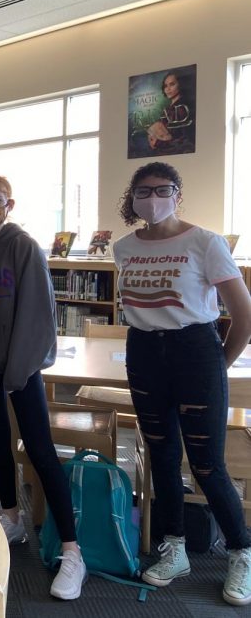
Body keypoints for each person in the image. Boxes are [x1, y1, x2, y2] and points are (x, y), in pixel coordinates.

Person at [113, 162, 251, 606]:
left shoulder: (204, 242)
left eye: (162, 189)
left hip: (196, 352)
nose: (152, 197)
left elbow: (243, 315)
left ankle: (241, 551)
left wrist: (217, 366)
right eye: (143, 190)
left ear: (177, 193)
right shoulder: (124, 247)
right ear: (132, 198)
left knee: (207, 465)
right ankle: (174, 547)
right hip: (144, 354)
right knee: (163, 457)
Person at [0, 172, 87, 600]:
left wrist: (18, 372)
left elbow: (38, 316)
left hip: (20, 370)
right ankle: (11, 518)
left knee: (41, 451)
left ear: (10, 204)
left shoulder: (23, 246)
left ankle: (71, 551)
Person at [146, 70, 195, 155]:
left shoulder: (182, 108)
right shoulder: (168, 109)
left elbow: (186, 139)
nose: (168, 89)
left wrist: (158, 143)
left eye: (172, 84)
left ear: (180, 85)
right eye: (165, 86)